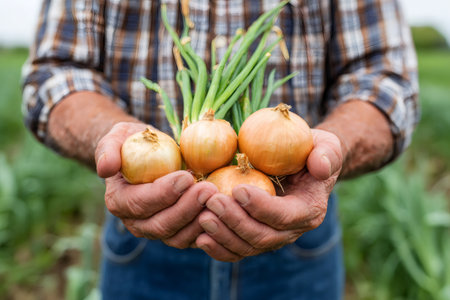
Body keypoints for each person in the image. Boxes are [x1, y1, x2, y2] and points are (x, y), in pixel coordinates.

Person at [22, 0, 418, 299]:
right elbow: (55, 73)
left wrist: (333, 151)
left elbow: (386, 81)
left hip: (294, 224)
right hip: (144, 229)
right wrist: (109, 136)